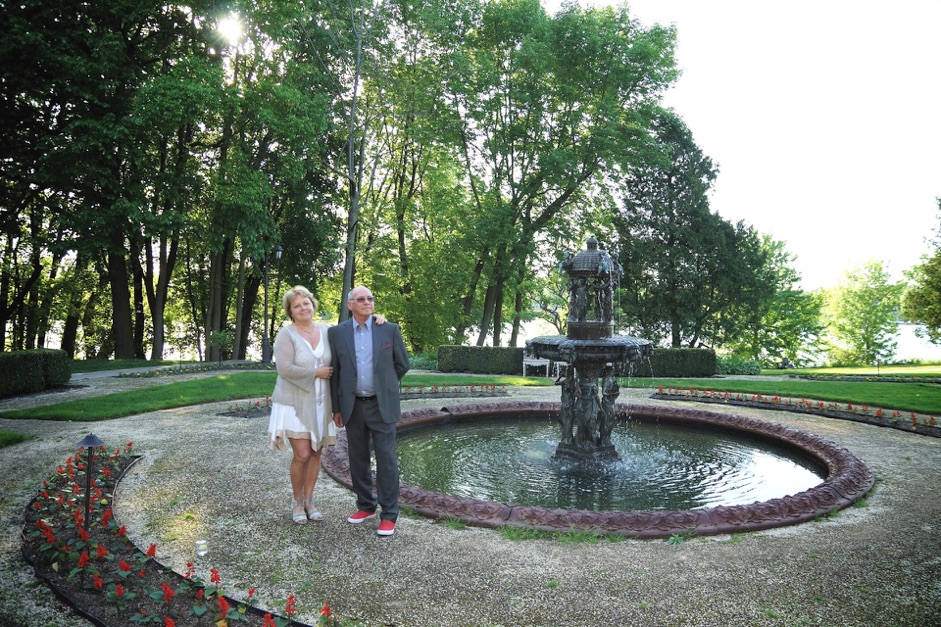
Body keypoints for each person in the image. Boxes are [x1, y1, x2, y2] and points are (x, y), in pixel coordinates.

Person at [268, 286, 386, 524]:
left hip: (322, 402)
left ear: (313, 305)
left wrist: (373, 318)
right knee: (302, 454)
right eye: (297, 305)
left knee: (316, 453)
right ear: (291, 311)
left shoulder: (327, 330)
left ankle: (310, 501)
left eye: (306, 303)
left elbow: (354, 334)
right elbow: (284, 368)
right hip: (294, 402)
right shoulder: (286, 334)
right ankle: (297, 501)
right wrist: (316, 372)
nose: (303, 308)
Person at [329, 285, 410, 536]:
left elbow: (403, 364)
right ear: (349, 305)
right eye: (360, 299)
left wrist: (385, 384)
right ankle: (365, 505)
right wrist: (337, 408)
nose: (367, 302)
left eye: (370, 298)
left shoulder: (388, 329)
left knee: (387, 461)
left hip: (381, 405)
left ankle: (389, 514)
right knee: (358, 459)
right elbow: (336, 372)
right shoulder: (337, 333)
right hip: (353, 406)